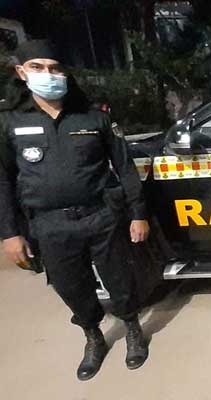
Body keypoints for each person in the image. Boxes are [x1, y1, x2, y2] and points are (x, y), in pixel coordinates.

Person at [0, 40, 150, 380]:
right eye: (37, 67)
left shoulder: (93, 117)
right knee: (71, 287)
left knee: (120, 279)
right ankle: (93, 337)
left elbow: (124, 167)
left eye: (55, 68)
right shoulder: (9, 122)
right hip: (50, 225)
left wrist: (138, 212)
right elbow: (3, 180)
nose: (48, 74)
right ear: (21, 72)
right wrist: (9, 233)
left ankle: (132, 328)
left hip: (101, 215)